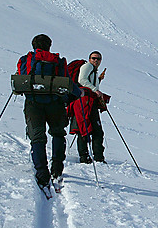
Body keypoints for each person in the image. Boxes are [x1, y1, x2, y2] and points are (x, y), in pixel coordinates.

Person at [16, 34, 72, 189]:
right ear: (49, 45)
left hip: (33, 103)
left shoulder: (26, 59)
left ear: (34, 45)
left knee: (38, 136)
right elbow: (67, 82)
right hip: (55, 103)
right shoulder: (58, 61)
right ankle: (57, 169)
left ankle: (42, 173)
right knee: (58, 133)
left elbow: (21, 77)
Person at [76, 51, 109, 163]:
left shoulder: (93, 70)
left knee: (90, 129)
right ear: (89, 59)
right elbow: (81, 80)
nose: (96, 60)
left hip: (89, 102)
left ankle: (90, 156)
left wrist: (98, 81)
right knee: (87, 128)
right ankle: (89, 157)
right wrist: (95, 90)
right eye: (94, 58)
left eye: (98, 59)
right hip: (85, 102)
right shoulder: (87, 66)